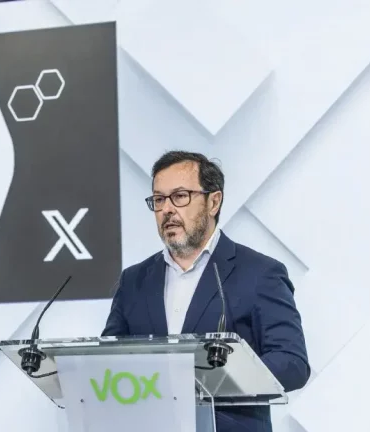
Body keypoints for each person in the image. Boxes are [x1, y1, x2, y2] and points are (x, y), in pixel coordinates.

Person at [102, 151, 309, 432]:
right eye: (159, 199)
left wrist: (212, 376)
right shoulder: (134, 281)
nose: (167, 210)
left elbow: (292, 363)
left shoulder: (260, 273)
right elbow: (105, 361)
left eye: (180, 196)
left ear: (214, 202)